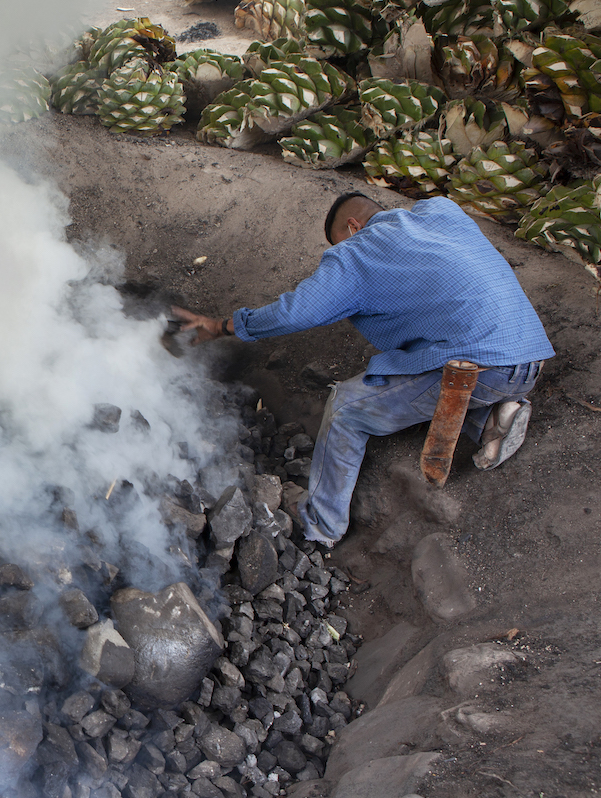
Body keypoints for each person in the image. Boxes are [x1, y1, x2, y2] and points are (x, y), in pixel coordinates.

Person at [172, 193, 554, 547]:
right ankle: (492, 418)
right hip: (527, 357)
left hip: (475, 367)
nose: (340, 251)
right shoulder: (441, 210)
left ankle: (321, 526)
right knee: (418, 380)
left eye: (338, 242)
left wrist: (223, 326)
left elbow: (297, 311)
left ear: (353, 228)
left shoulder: (358, 252)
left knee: (346, 408)